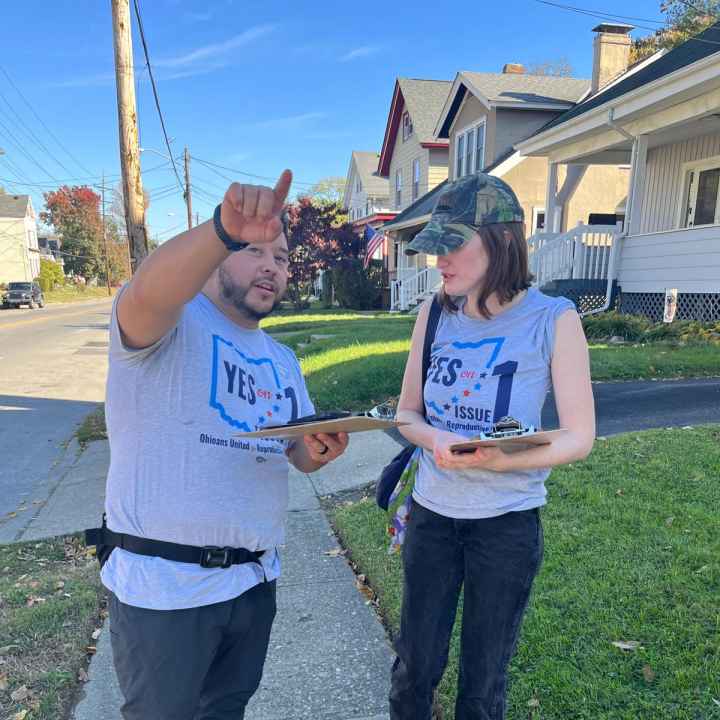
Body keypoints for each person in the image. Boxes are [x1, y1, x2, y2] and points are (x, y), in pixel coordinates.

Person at [96, 170, 349, 720]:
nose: (271, 266)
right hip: (166, 589)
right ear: (218, 255)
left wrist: (319, 452)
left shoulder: (281, 359)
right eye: (254, 249)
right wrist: (219, 230)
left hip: (253, 584)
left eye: (281, 258)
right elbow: (147, 287)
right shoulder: (170, 322)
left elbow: (295, 452)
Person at [388, 173, 595, 720]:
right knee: (414, 671)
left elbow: (580, 435)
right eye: (438, 248)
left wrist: (505, 459)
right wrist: (436, 438)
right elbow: (406, 414)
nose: (441, 262)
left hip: (505, 527)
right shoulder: (434, 313)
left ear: (502, 241)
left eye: (454, 245)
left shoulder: (554, 319)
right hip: (432, 519)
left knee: (482, 687)